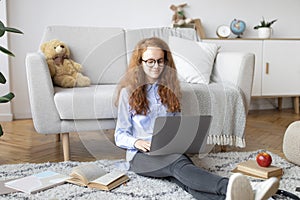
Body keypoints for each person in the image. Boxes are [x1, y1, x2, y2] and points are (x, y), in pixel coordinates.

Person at [114, 37, 279, 200]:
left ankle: (235, 198)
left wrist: (182, 138)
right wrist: (137, 143)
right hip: (140, 156)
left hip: (169, 150)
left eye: (160, 61)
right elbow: (120, 134)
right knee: (178, 165)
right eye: (150, 61)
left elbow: (174, 125)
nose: (156, 66)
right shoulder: (127, 93)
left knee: (184, 179)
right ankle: (244, 188)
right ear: (140, 63)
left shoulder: (168, 90)